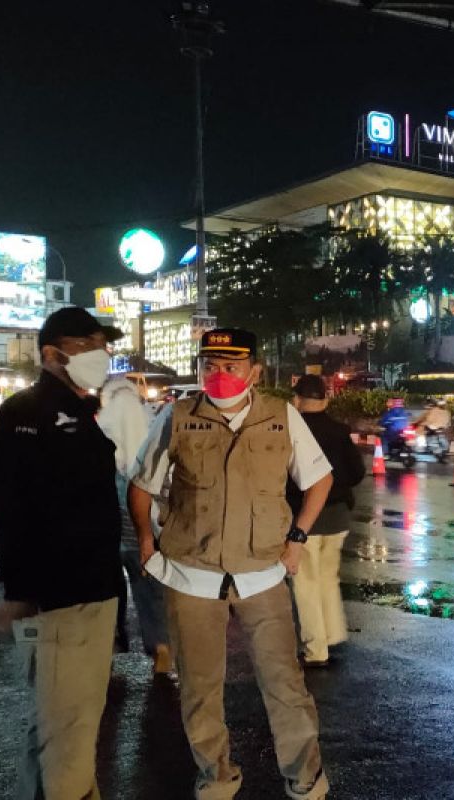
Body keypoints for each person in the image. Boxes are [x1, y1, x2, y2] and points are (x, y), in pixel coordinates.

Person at [128, 328, 333, 800]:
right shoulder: (176, 417)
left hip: (263, 573)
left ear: (254, 371)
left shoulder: (282, 417)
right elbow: (141, 483)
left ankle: (305, 777)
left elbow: (319, 479)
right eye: (210, 366)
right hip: (191, 574)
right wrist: (145, 540)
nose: (219, 375)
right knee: (200, 688)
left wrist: (298, 538)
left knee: (285, 683)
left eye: (231, 366)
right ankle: (216, 775)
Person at [0, 307, 123, 799]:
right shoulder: (25, 414)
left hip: (93, 590)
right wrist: (22, 590)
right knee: (68, 732)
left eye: (103, 345)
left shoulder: (82, 411)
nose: (101, 354)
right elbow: (9, 508)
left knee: (58, 727)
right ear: (52, 353)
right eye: (88, 345)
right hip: (61, 598)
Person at [287, 375, 365, 667]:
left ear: (297, 400)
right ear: (326, 400)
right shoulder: (339, 431)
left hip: (306, 518)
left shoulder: (295, 431)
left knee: (305, 582)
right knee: (327, 579)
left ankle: (315, 649)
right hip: (338, 517)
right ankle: (332, 635)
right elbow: (357, 472)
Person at [98, 376, 171, 674]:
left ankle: (111, 642)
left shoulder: (100, 433)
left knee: (108, 590)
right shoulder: (151, 428)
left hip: (107, 533)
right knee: (149, 589)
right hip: (144, 529)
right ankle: (161, 646)